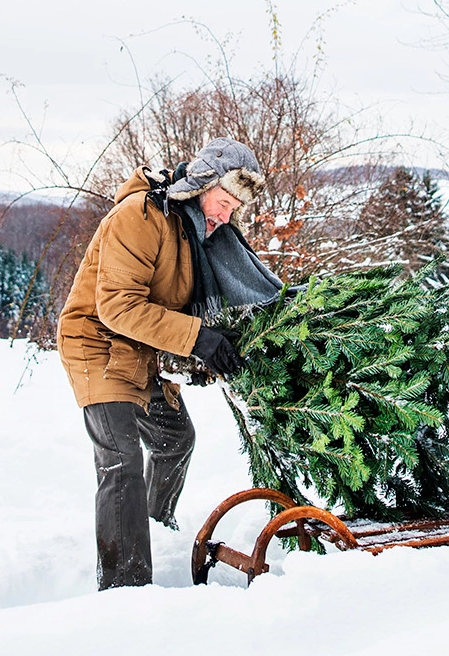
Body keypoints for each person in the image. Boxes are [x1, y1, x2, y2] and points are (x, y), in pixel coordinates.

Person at [57, 137, 283, 589]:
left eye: (234, 208)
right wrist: (198, 338)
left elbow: (180, 302)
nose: (226, 216)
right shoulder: (140, 216)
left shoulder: (194, 233)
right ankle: (126, 587)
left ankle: (156, 530)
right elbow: (118, 306)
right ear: (200, 185)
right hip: (95, 345)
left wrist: (219, 344)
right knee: (121, 461)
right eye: (223, 201)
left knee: (175, 437)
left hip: (138, 351)